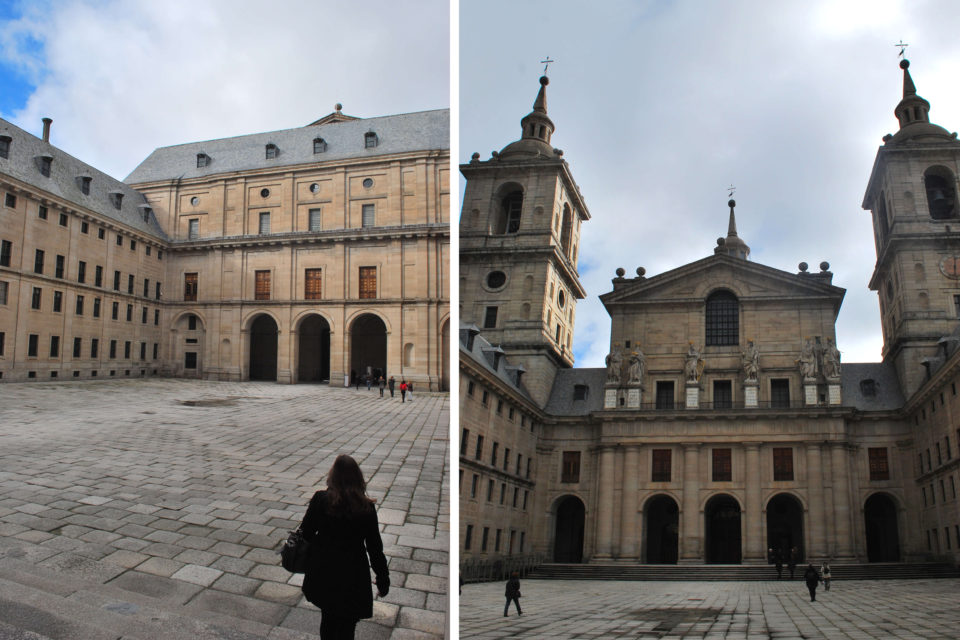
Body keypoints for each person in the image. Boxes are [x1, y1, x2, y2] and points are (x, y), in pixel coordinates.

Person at [298, 454, 390, 639]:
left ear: (333, 476)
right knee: (348, 628)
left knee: (328, 622)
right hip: (353, 577)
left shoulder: (321, 500)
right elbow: (374, 548)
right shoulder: (366, 508)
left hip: (325, 573)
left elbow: (305, 533)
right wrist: (383, 578)